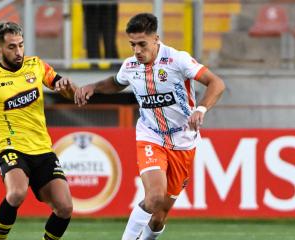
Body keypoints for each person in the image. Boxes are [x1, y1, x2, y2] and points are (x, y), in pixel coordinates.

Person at [75, 13, 225, 240]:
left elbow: (216, 83)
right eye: (132, 44)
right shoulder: (131, 65)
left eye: (142, 44)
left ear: (156, 39)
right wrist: (93, 87)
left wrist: (200, 109)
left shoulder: (177, 60)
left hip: (183, 140)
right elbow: (117, 83)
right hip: (150, 136)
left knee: (158, 216)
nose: (136, 50)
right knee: (154, 197)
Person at [0, 21, 76, 240]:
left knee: (65, 208)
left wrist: (68, 88)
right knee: (16, 193)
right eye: (12, 47)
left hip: (42, 149)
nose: (18, 51)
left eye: (21, 45)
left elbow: (70, 93)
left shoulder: (36, 66)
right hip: (10, 146)